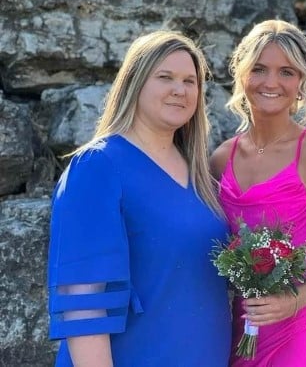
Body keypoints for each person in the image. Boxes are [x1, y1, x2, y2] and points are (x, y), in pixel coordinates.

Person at [47, 31, 231, 366]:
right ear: (134, 82)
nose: (180, 89)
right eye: (165, 77)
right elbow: (82, 297)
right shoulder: (99, 165)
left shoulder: (200, 172)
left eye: (191, 81)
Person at [210, 19, 306, 367]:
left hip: (303, 331)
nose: (271, 82)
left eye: (286, 72)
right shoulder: (219, 159)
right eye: (259, 69)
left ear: (301, 82)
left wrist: (295, 300)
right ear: (242, 73)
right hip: (243, 329)